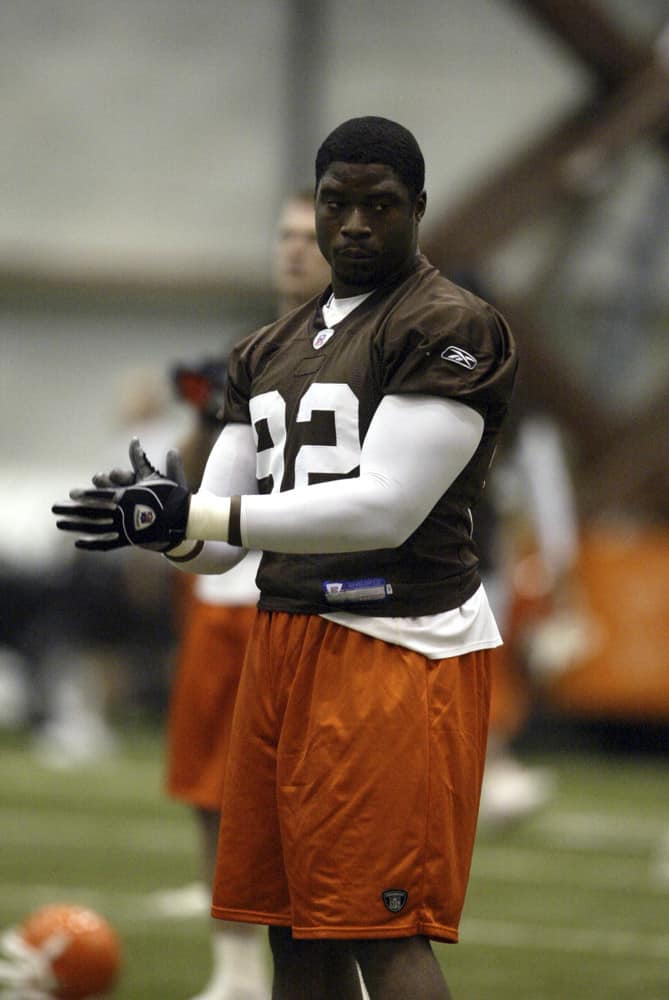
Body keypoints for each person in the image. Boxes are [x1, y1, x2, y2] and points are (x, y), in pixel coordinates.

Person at [54, 116, 518, 1000]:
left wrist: (201, 509)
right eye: (335, 204)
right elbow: (221, 545)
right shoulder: (265, 349)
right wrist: (165, 528)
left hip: (395, 644)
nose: (351, 225)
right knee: (292, 929)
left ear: (416, 208)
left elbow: (385, 504)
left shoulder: (450, 323)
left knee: (382, 930)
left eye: (376, 206)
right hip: (287, 638)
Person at [164, 190, 331, 1000]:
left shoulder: (372, 349)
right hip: (225, 595)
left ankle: (339, 960)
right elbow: (194, 484)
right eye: (286, 234)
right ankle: (234, 970)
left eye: (310, 235)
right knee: (208, 786)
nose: (294, 249)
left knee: (316, 797)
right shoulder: (244, 350)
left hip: (315, 600)